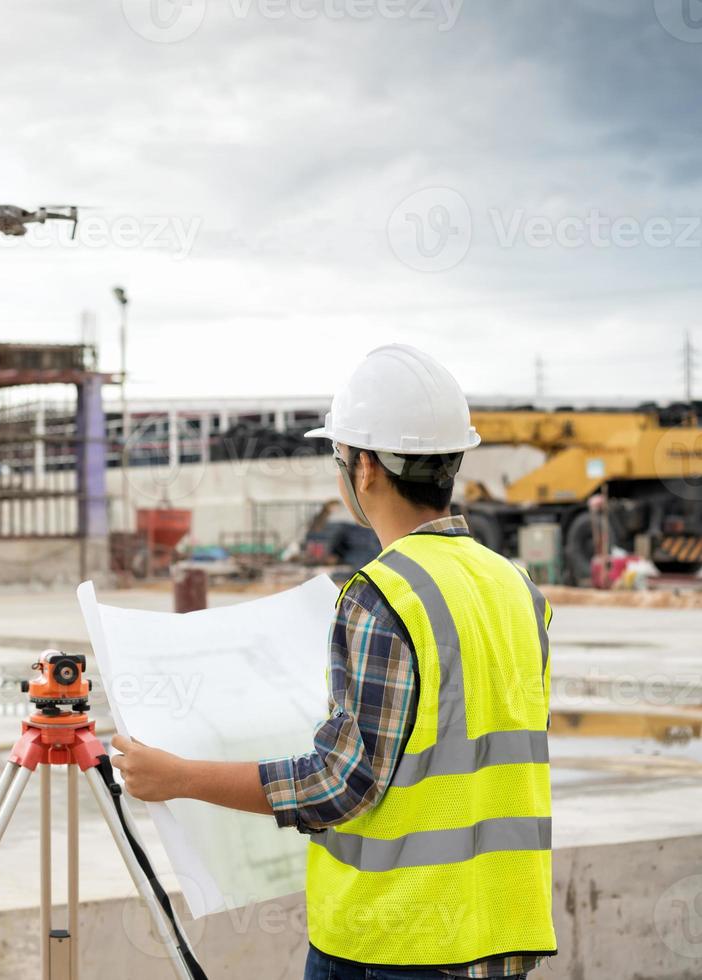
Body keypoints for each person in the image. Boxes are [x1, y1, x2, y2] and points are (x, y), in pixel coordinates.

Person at [111, 345, 554, 980]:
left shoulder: (383, 596)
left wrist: (180, 776)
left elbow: (339, 783)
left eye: (340, 458)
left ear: (365, 468)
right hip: (500, 932)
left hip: (398, 941)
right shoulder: (517, 587)